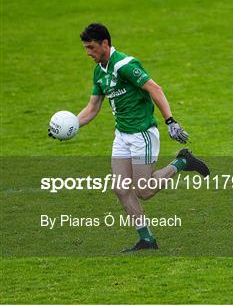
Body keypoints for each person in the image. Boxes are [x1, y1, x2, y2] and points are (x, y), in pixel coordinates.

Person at [49, 23, 210, 251]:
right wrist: (68, 127)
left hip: (142, 134)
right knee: (121, 188)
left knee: (143, 191)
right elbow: (93, 107)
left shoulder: (125, 65)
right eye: (86, 48)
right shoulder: (99, 72)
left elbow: (155, 89)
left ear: (105, 43)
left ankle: (183, 161)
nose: (88, 53)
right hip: (122, 136)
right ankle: (147, 239)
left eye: (91, 47)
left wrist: (170, 121)